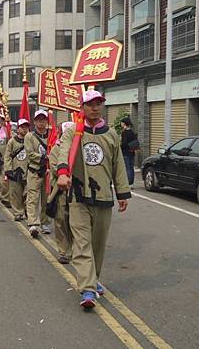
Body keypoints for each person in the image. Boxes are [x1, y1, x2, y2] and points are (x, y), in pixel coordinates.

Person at [56, 90, 131, 309]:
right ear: (82, 107)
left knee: (98, 245)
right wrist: (62, 172)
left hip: (104, 198)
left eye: (98, 104)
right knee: (82, 244)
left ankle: (93, 278)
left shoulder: (111, 135)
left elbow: (118, 167)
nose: (95, 108)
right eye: (90, 104)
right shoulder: (73, 132)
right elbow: (63, 152)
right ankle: (87, 289)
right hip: (79, 197)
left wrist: (123, 193)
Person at [49, 121, 75, 264]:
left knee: (75, 221)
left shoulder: (77, 149)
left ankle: (76, 249)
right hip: (60, 191)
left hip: (76, 191)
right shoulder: (56, 150)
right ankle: (63, 250)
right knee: (60, 220)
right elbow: (54, 169)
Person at [25, 110, 51, 237]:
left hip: (48, 172)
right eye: (38, 119)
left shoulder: (51, 135)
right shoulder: (29, 136)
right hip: (34, 171)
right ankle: (33, 223)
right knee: (33, 198)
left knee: (46, 198)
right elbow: (30, 153)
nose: (41, 121)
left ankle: (44, 222)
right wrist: (45, 157)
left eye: (44, 119)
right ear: (34, 121)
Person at [4, 118, 30, 221]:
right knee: (15, 193)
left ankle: (28, 210)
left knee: (28, 193)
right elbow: (7, 156)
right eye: (22, 127)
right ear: (18, 129)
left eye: (26, 127)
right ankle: (18, 212)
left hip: (28, 171)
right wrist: (8, 169)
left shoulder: (31, 140)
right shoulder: (12, 141)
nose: (24, 129)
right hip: (15, 170)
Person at [120, 117, 138, 188]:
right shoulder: (132, 132)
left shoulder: (124, 132)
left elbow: (124, 143)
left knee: (127, 168)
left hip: (125, 152)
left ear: (124, 123)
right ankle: (132, 183)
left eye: (121, 122)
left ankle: (128, 183)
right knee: (131, 167)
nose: (121, 124)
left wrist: (120, 147)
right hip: (132, 152)